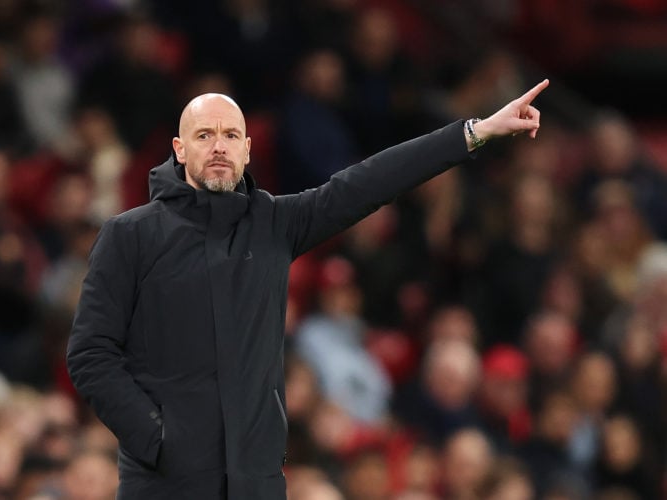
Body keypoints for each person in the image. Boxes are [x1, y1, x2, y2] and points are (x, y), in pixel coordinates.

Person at [66, 79, 549, 499]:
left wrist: (474, 133)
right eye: (204, 135)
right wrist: (157, 440)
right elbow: (90, 353)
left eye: (231, 135)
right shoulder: (129, 235)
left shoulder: (275, 223)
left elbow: (369, 182)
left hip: (256, 483)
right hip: (164, 486)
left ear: (248, 150)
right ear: (179, 148)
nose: (218, 146)